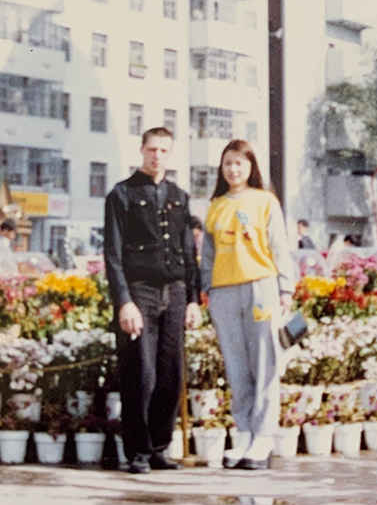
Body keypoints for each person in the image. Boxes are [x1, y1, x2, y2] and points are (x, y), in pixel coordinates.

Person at [103, 127, 202, 474]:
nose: (156, 156)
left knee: (169, 374)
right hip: (140, 291)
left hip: (173, 291)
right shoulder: (122, 195)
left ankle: (160, 447)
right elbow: (112, 255)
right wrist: (124, 301)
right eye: (151, 149)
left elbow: (189, 252)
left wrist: (192, 299)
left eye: (163, 150)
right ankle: (138, 451)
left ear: (170, 154)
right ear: (141, 150)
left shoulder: (179, 196)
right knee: (139, 373)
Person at [200, 139, 295, 470]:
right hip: (224, 292)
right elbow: (208, 255)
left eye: (240, 163)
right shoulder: (215, 206)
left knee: (265, 362)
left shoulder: (265, 201)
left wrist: (285, 289)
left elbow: (279, 247)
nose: (233, 169)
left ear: (251, 167)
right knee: (236, 366)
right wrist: (206, 289)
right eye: (228, 163)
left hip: (261, 288)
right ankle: (243, 432)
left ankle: (264, 435)